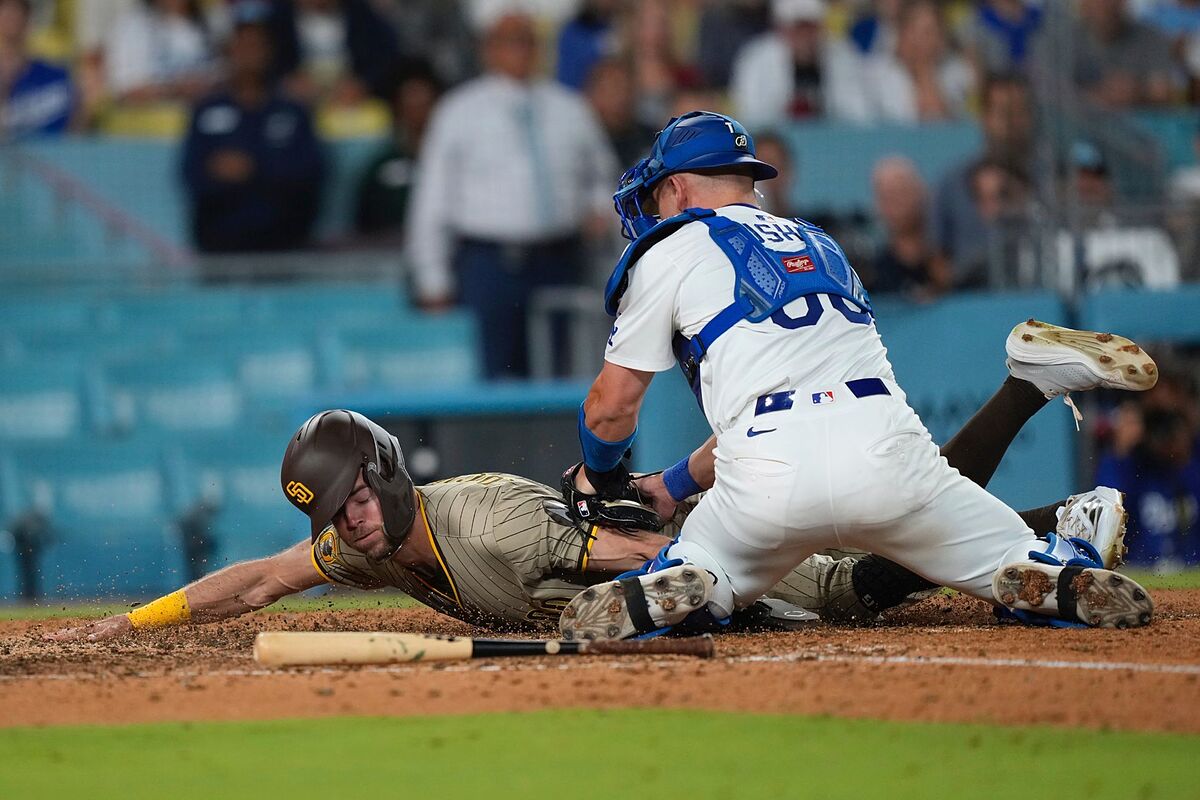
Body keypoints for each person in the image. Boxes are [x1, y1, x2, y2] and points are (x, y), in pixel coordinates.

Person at [559, 110, 1159, 640]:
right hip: (886, 455)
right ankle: (1039, 569)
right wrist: (672, 483)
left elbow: (611, 408)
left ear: (677, 187)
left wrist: (599, 478)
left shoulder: (670, 247)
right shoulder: (821, 244)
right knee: (1002, 549)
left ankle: (693, 582)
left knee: (706, 562)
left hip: (765, 477)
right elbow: (812, 397)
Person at [47, 361, 1135, 643]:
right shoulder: (369, 543)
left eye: (349, 504)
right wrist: (140, 620)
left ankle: (1027, 399)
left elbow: (650, 556)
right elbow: (258, 579)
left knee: (863, 580)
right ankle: (1061, 525)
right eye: (328, 516)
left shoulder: (484, 523)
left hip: (714, 557)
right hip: (678, 540)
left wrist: (726, 579)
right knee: (906, 533)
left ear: (380, 475)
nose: (344, 526)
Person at [404, 11, 618, 378]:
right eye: (509, 41)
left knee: (565, 371)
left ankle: (559, 438)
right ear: (488, 49)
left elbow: (603, 178)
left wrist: (598, 208)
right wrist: (431, 277)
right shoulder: (459, 111)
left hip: (559, 259)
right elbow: (433, 199)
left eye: (527, 41)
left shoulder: (569, 108)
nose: (519, 51)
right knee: (496, 374)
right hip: (489, 264)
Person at [180, 6, 325, 254]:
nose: (249, 54)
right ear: (229, 52)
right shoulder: (207, 111)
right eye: (242, 46)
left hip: (284, 243)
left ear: (269, 52)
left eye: (256, 46)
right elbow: (192, 173)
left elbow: (310, 171)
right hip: (220, 243)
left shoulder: (292, 111)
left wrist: (253, 167)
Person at [933, 74, 1040, 289]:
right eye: (1003, 113)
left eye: (1018, 112)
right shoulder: (953, 183)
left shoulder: (1052, 180)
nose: (1011, 123)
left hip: (1041, 297)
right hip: (974, 303)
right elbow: (937, 258)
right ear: (985, 118)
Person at [353, 57, 441, 240]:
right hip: (387, 250)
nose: (417, 112)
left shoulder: (453, 164)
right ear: (398, 108)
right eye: (410, 104)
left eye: (424, 104)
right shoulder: (382, 164)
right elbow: (364, 220)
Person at [866, 155, 950, 299]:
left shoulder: (951, 259)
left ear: (923, 193)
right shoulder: (873, 275)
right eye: (887, 196)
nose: (898, 204)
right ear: (877, 206)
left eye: (903, 192)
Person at [104, 0, 217, 107]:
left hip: (208, 118)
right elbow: (126, 91)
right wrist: (175, 89)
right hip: (151, 123)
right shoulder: (132, 25)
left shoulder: (209, 23)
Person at [0, 0, 74, 140]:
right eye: (6, 15)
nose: (11, 21)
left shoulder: (54, 76)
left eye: (16, 14)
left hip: (49, 155)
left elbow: (73, 128)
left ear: (27, 20)